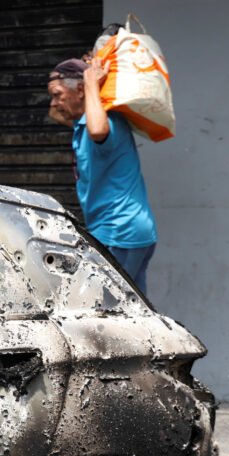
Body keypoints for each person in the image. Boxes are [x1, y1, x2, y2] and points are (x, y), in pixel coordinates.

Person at [47, 56, 157, 295]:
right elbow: (55, 114)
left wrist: (90, 82)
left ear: (81, 90)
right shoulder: (81, 125)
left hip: (118, 230)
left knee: (106, 306)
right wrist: (83, 74)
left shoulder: (104, 123)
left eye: (57, 94)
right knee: (131, 312)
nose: (54, 103)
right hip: (121, 231)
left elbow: (98, 129)